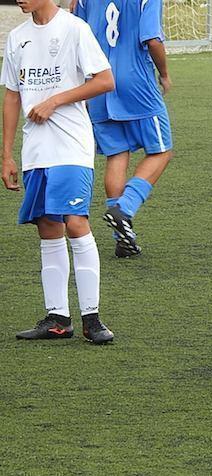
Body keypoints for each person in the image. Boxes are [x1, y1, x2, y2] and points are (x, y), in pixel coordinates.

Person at [2, 0, 115, 343]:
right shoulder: (17, 37)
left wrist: (55, 100)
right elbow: (11, 94)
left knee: (75, 221)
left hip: (71, 147)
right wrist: (6, 154)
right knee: (48, 227)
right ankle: (57, 318)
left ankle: (92, 318)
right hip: (36, 151)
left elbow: (105, 80)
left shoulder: (74, 29)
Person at [73, 0, 172, 258]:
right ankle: (124, 209)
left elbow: (76, 32)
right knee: (161, 152)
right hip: (135, 82)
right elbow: (152, 39)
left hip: (98, 84)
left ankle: (123, 238)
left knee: (117, 154)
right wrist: (163, 73)